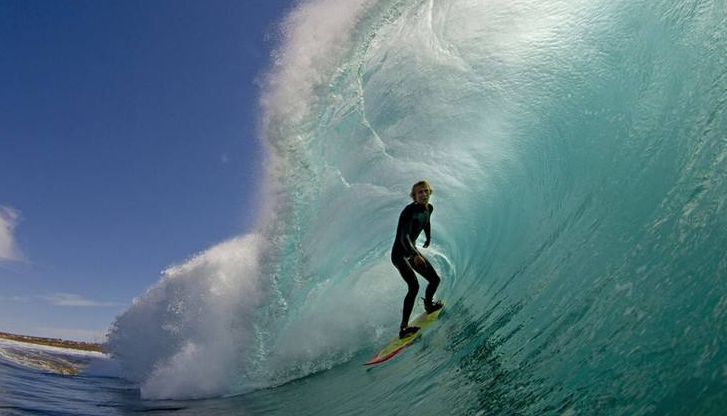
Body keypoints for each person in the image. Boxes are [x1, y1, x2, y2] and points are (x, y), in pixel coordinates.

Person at [391, 180, 443, 339]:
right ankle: (404, 328)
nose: (424, 194)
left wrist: (428, 237)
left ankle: (428, 305)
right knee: (413, 286)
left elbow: (426, 221)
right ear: (414, 196)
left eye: (426, 191)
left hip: (412, 253)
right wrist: (415, 255)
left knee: (434, 280)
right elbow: (403, 237)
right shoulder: (409, 211)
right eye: (420, 192)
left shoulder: (429, 208)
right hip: (400, 254)